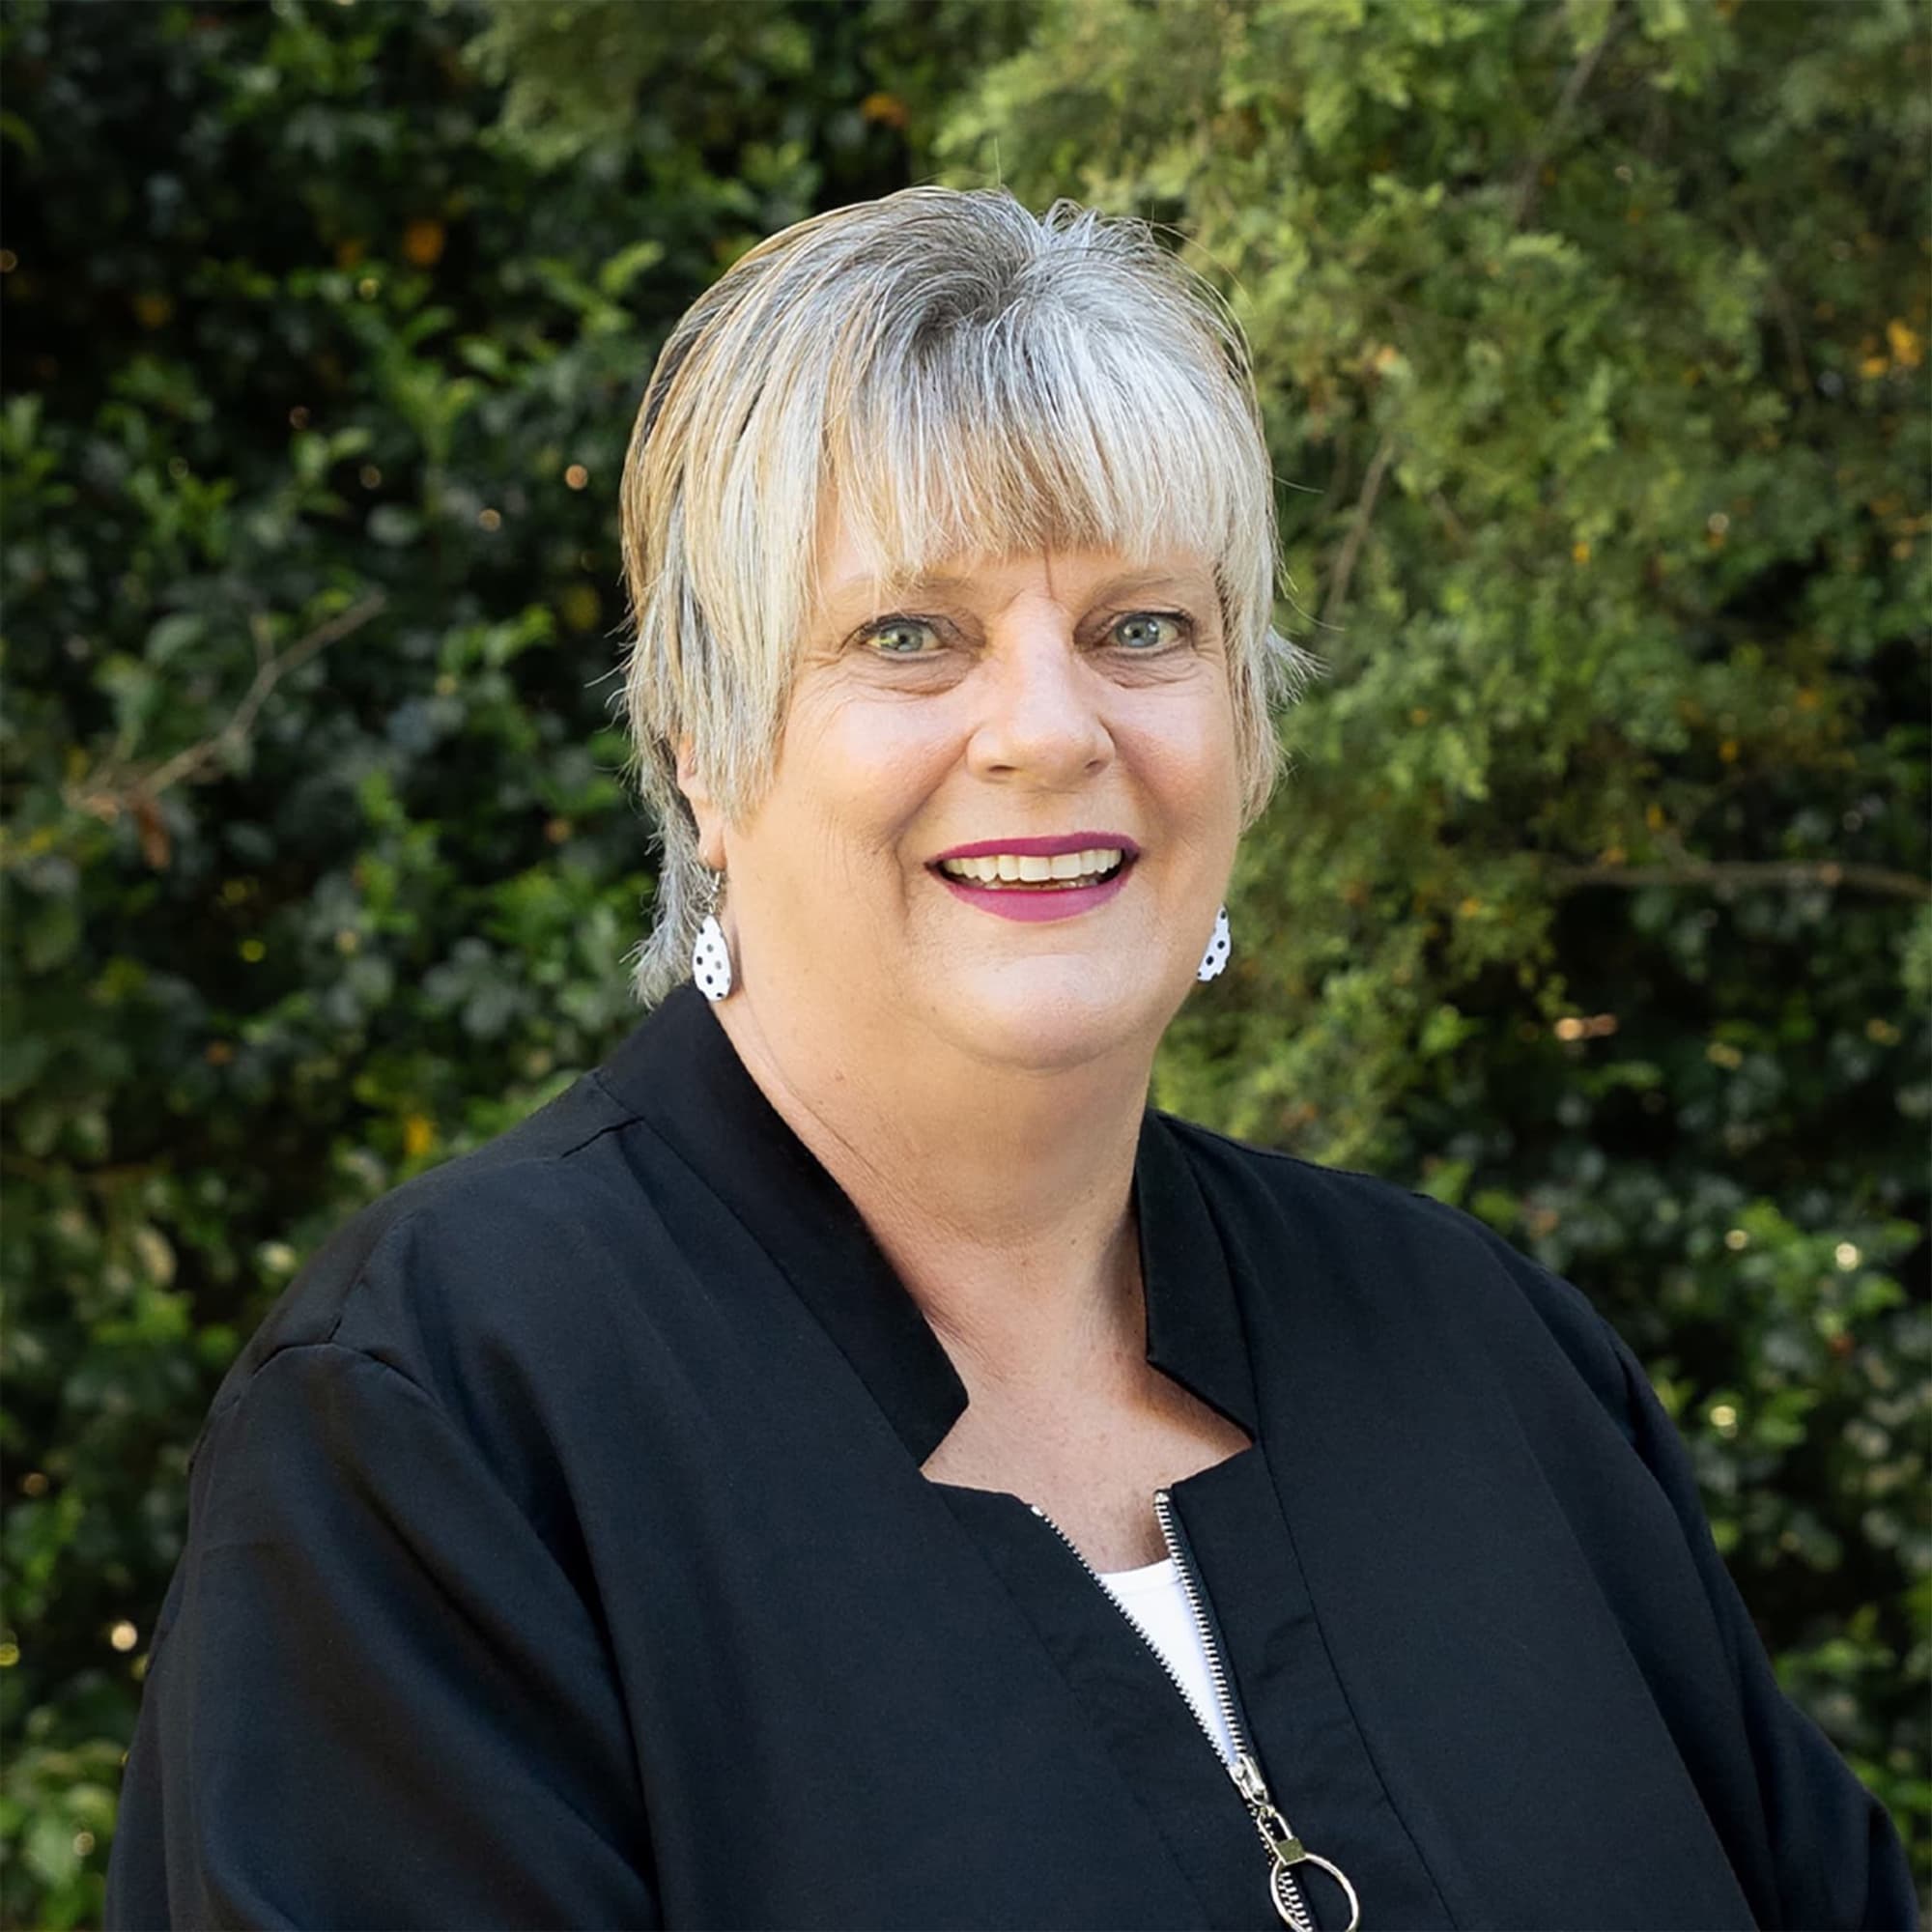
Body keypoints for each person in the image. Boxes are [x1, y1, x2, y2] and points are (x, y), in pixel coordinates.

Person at [105, 186, 1915, 1932]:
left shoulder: (1483, 1356)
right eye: (914, 635)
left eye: (1144, 629)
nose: (1051, 732)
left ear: (1245, 731)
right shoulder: (448, 1421)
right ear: (700, 756)